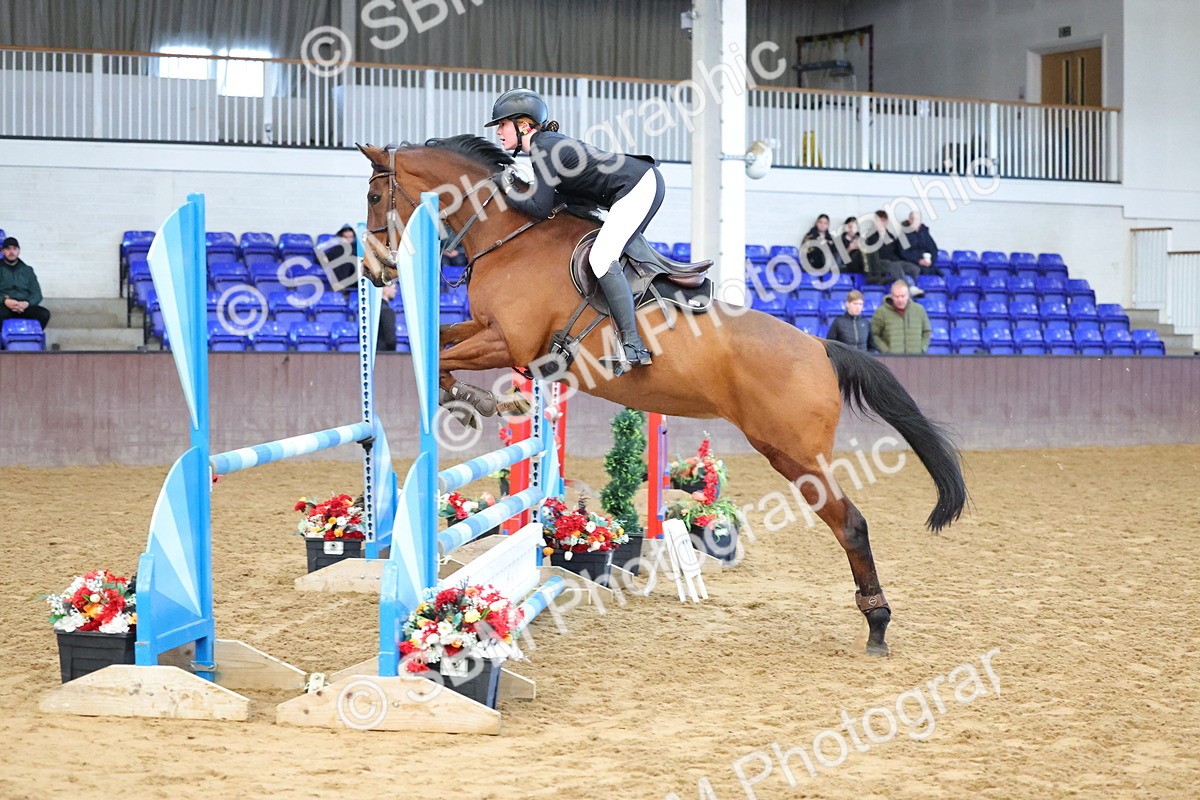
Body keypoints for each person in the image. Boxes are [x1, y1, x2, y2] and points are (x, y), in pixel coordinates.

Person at [486, 87, 660, 375]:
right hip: (636, 185)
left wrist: (506, 187)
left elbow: (539, 206)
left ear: (524, 125)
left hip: (637, 186)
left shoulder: (543, 148)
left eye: (503, 124)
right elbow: (556, 204)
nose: (498, 132)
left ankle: (633, 345)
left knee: (601, 258)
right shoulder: (545, 147)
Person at [328, 224, 395, 351]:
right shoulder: (336, 251)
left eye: (350, 237)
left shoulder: (357, 252)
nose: (348, 240)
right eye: (346, 237)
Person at [863, 210, 922, 295]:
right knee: (894, 266)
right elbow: (872, 257)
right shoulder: (871, 238)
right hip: (880, 263)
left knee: (914, 268)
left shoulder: (891, 236)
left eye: (883, 221)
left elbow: (896, 252)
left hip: (894, 262)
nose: (880, 223)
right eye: (878, 221)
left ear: (886, 222)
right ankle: (908, 288)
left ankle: (915, 287)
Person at [0, 237, 51, 329]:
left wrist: (27, 303)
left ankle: (33, 337)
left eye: (14, 248)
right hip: (3, 306)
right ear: (2, 251)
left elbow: (37, 294)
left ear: (19, 251)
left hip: (24, 306)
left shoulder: (28, 270)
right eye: (8, 249)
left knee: (44, 314)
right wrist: (5, 301)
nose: (11, 252)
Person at [870, 280, 931, 354]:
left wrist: (922, 349)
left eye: (902, 296)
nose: (900, 300)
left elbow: (927, 332)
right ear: (892, 296)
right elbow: (874, 335)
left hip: (916, 358)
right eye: (897, 296)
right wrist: (886, 351)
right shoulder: (881, 312)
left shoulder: (919, 310)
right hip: (892, 359)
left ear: (908, 295)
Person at [898, 211, 939, 276]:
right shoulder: (903, 234)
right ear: (909, 220)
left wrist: (931, 260)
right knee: (923, 271)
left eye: (917, 219)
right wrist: (918, 260)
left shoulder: (925, 233)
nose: (915, 221)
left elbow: (933, 249)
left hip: (926, 263)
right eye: (912, 219)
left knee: (938, 272)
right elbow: (904, 252)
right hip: (911, 263)